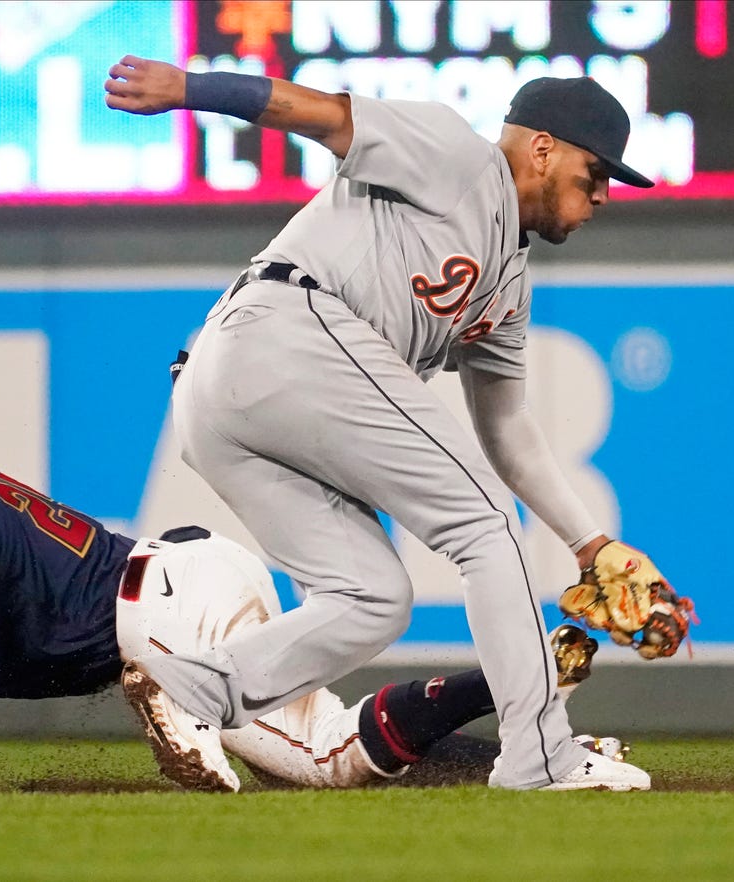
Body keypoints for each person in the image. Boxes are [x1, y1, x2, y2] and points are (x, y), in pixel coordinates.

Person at [103, 58, 665, 791]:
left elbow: (506, 431)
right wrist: (189, 91)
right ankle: (540, 756)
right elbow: (321, 114)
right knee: (487, 524)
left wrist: (590, 545)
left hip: (235, 389)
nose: (603, 194)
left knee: (372, 598)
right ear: (542, 148)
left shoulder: (507, 281)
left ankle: (193, 690)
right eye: (597, 171)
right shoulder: (457, 155)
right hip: (283, 331)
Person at [0, 376, 615, 792]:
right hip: (182, 577)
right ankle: (527, 721)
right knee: (331, 740)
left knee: (327, 765)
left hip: (164, 624)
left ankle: (519, 679)